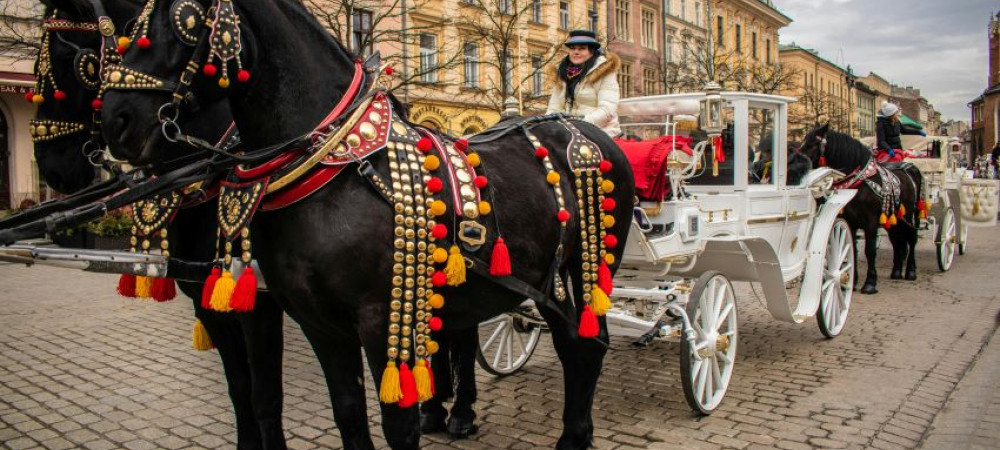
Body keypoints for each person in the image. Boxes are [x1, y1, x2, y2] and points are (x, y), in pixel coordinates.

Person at [546, 30, 621, 137]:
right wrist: (547, 126)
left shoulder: (605, 72)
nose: (576, 52)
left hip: (601, 132)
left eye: (582, 48)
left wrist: (580, 126)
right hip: (569, 131)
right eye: (572, 48)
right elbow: (553, 108)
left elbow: (607, 110)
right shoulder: (561, 72)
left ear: (592, 52)